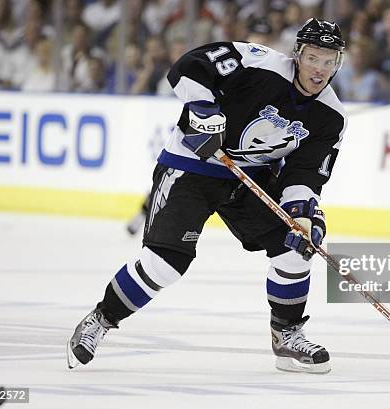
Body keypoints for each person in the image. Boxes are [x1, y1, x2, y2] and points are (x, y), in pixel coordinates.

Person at [67, 18, 348, 374]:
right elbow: (189, 67)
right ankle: (100, 320)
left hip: (248, 178)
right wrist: (203, 110)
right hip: (193, 166)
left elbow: (304, 173)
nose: (319, 69)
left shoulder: (331, 117)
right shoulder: (256, 62)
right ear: (298, 55)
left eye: (328, 60)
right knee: (165, 263)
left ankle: (287, 335)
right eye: (313, 57)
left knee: (295, 245)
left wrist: (302, 213)